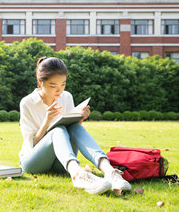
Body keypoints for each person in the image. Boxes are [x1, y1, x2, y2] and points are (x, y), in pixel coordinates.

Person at [18, 56, 131, 194]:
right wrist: (47, 121)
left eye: (63, 84)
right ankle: (78, 175)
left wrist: (80, 118)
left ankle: (110, 172)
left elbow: (72, 130)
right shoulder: (27, 102)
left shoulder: (66, 97)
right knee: (57, 130)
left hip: (62, 162)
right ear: (40, 81)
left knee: (75, 126)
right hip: (33, 161)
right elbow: (32, 143)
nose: (59, 91)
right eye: (53, 86)